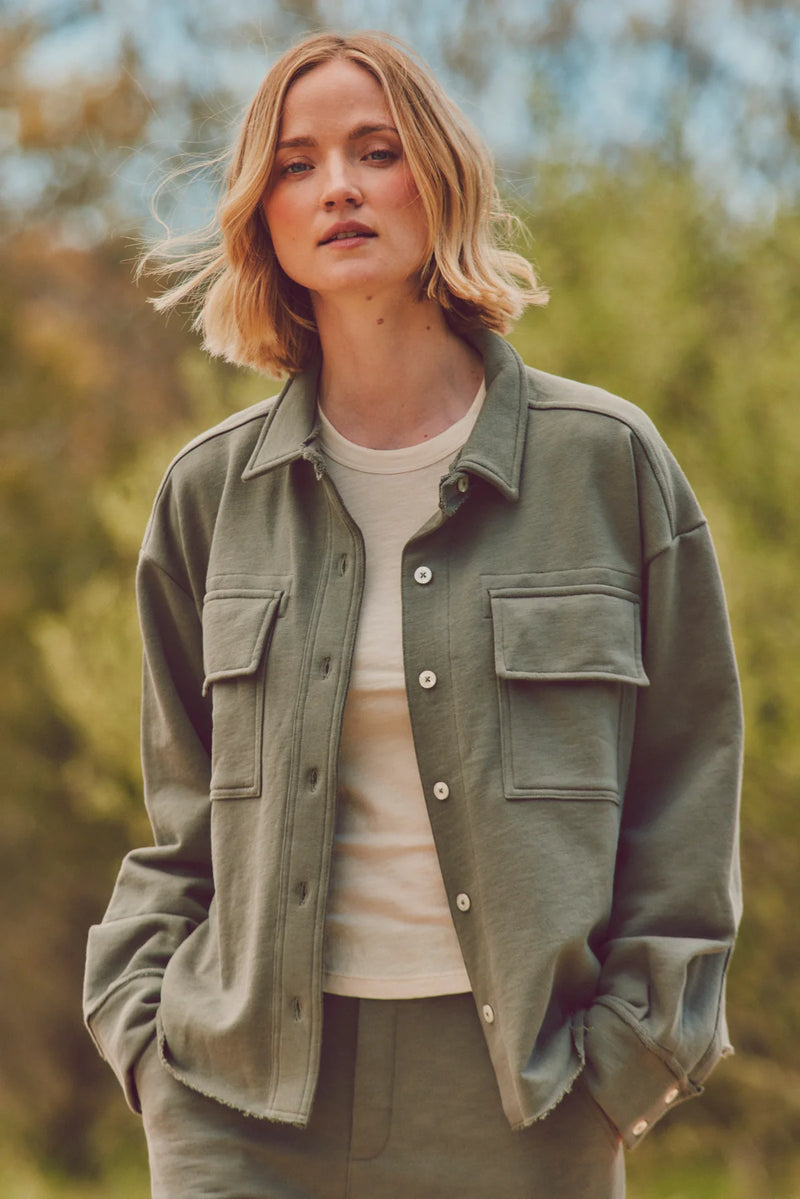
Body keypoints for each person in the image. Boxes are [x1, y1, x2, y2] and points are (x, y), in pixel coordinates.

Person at [83, 29, 743, 1199]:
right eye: (295, 164)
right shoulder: (208, 496)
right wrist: (148, 1041)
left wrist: (630, 1058)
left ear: (435, 180)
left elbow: (686, 791)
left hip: (522, 1099)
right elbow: (181, 822)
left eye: (373, 151)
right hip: (241, 1102)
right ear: (262, 216)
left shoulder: (606, 467)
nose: (336, 185)